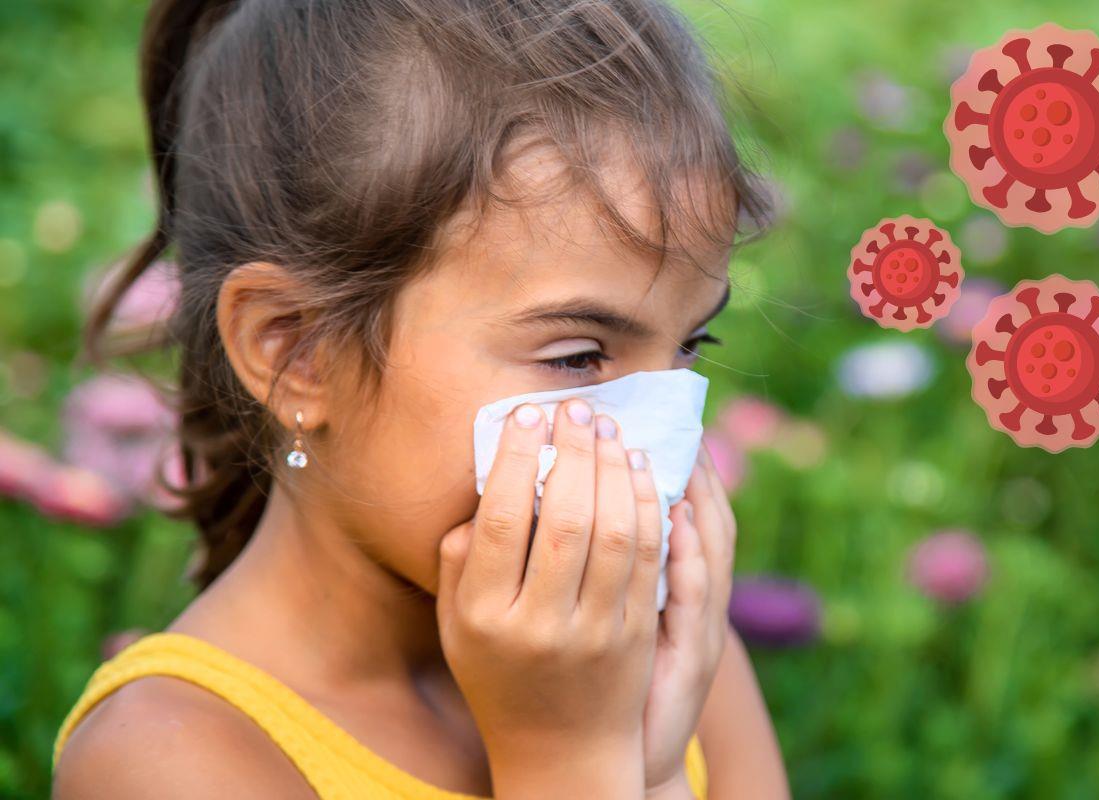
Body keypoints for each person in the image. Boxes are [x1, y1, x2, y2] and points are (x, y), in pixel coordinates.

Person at [50, 0, 790, 797]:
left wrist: (646, 761)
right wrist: (565, 756)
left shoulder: (677, 662)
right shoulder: (168, 758)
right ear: (295, 350)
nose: (661, 444)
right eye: (577, 356)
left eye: (689, 346)